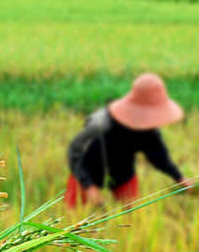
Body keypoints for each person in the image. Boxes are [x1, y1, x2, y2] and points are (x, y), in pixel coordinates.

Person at [65, 72, 190, 208]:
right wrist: (88, 186)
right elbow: (74, 152)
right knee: (72, 217)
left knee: (132, 219)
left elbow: (158, 156)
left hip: (122, 172)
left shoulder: (150, 130)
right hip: (89, 169)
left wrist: (179, 177)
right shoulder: (101, 123)